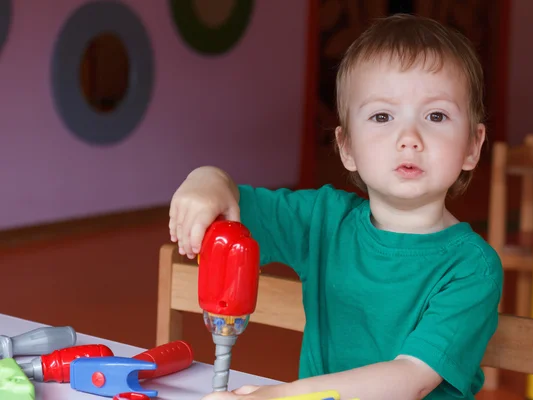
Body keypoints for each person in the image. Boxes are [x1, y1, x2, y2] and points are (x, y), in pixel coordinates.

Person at [169, 13, 503, 400]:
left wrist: (278, 397)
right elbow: (233, 204)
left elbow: (410, 379)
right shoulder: (323, 221)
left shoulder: (471, 268)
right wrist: (206, 179)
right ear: (346, 147)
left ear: (473, 146)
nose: (409, 138)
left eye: (436, 115)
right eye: (382, 116)